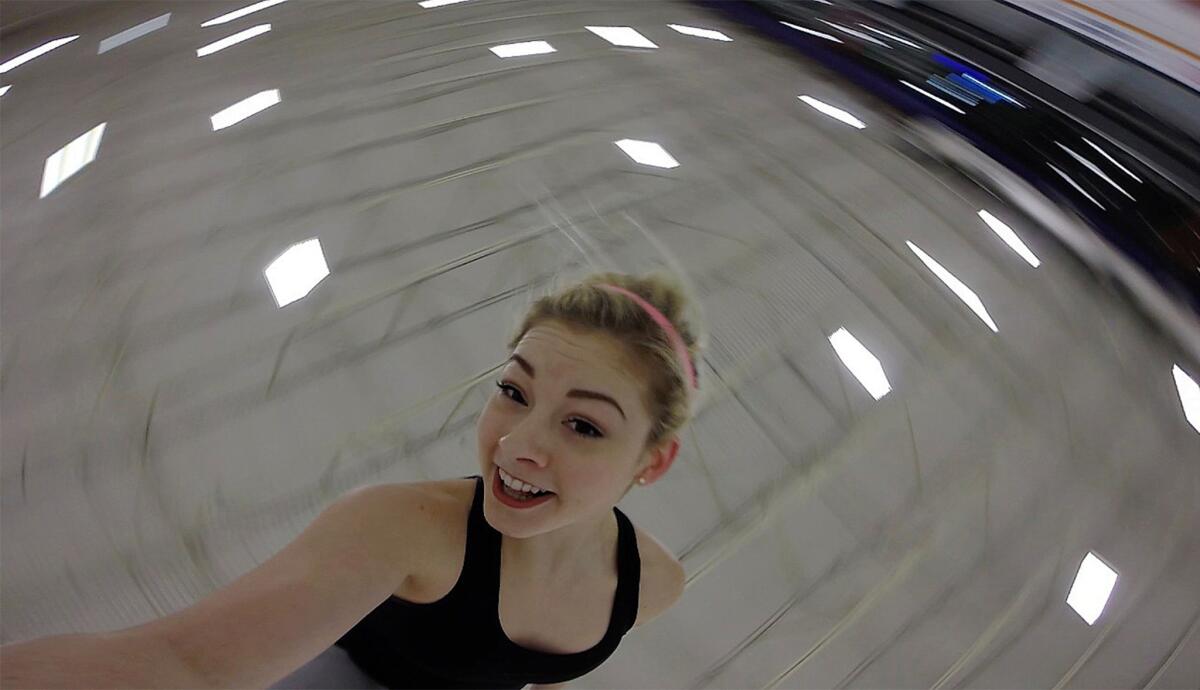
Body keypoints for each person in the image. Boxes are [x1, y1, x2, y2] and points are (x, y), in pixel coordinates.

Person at [1, 270, 703, 689]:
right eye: (513, 393)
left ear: (653, 460)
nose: (518, 447)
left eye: (583, 426)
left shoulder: (656, 586)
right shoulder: (405, 527)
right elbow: (179, 661)